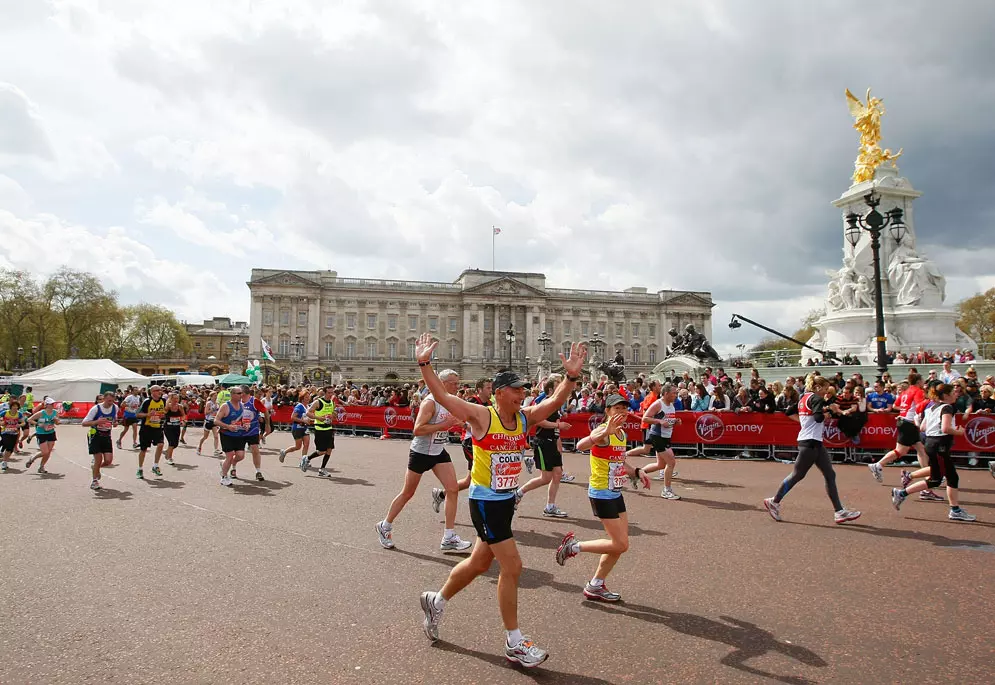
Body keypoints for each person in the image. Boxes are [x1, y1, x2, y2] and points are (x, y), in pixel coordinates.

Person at [415, 333, 586, 668]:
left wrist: (571, 377)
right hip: (484, 502)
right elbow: (439, 395)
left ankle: (436, 600)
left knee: (480, 563)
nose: (523, 394)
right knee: (513, 566)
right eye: (517, 389)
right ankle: (515, 642)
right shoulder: (481, 415)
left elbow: (553, 403)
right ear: (499, 393)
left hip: (506, 502)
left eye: (524, 389)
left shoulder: (523, 418)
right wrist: (424, 364)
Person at [554, 393, 650, 602]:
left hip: (615, 492)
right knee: (620, 544)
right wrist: (604, 431)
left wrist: (636, 472)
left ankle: (595, 585)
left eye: (624, 408)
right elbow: (580, 446)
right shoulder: (603, 431)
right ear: (607, 411)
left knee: (619, 544)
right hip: (601, 492)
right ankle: (574, 546)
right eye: (617, 409)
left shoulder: (622, 434)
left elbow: (619, 461)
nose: (622, 412)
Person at [376, 369, 472, 553]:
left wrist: (461, 424)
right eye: (454, 383)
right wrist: (444, 425)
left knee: (452, 489)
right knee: (408, 493)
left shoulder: (451, 402)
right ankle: (385, 525)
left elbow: (457, 420)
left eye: (458, 383)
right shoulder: (430, 402)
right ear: (442, 383)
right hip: (420, 452)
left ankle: (449, 536)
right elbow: (418, 429)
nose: (458, 386)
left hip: (438, 451)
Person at [763, 375, 861, 524]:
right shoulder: (816, 398)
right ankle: (774, 501)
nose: (826, 393)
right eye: (825, 389)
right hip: (809, 442)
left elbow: (789, 411)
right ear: (818, 387)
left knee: (830, 474)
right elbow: (818, 418)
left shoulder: (804, 398)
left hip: (814, 441)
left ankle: (839, 512)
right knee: (797, 475)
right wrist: (829, 410)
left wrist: (804, 422)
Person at [891, 383, 975, 522]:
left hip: (931, 443)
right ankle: (902, 493)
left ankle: (955, 509)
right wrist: (959, 432)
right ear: (946, 395)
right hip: (939, 445)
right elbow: (946, 428)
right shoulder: (947, 407)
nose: (956, 395)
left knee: (949, 477)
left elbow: (922, 427)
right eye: (953, 393)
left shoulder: (931, 407)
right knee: (938, 479)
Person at [867, 374, 940, 499]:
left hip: (905, 421)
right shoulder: (918, 391)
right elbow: (919, 406)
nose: (923, 382)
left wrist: (905, 411)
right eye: (922, 380)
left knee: (920, 449)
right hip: (909, 422)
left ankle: (928, 478)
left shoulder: (906, 391)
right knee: (903, 450)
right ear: (918, 381)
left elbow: (896, 405)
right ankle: (879, 464)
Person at [513, 375, 572, 518]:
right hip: (543, 441)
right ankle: (518, 494)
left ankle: (550, 506)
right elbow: (538, 421)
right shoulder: (545, 403)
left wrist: (558, 442)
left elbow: (556, 427)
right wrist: (558, 425)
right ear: (551, 388)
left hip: (552, 441)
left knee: (557, 474)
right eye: (559, 385)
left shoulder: (555, 404)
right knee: (546, 478)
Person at [431, 378, 491, 513]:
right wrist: (466, 426)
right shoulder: (472, 402)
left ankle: (441, 494)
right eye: (488, 388)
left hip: (483, 441)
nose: (490, 390)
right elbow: (461, 420)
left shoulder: (489, 403)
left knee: (469, 480)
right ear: (480, 390)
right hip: (471, 442)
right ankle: (482, 510)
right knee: (483, 476)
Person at [626, 383, 681, 499]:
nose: (676, 395)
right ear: (666, 394)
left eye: (676, 393)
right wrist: (659, 422)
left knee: (661, 465)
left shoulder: (671, 404)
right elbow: (645, 418)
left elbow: (666, 419)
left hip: (666, 436)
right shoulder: (658, 404)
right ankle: (666, 490)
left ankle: (635, 474)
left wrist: (674, 422)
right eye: (674, 393)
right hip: (658, 436)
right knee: (671, 463)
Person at [215, 386, 252, 486]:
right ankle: (224, 476)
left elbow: (245, 420)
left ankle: (224, 463)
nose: (241, 395)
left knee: (240, 456)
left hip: (239, 434)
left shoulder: (243, 406)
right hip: (226, 434)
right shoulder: (225, 406)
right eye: (239, 393)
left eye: (242, 393)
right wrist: (228, 426)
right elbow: (216, 421)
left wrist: (246, 425)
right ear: (232, 395)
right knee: (230, 455)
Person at [81, 391, 118, 491]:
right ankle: (94, 481)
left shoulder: (115, 407)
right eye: (109, 400)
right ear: (104, 398)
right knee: (98, 459)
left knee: (108, 461)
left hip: (106, 436)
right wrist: (97, 422)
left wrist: (114, 423)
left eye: (113, 401)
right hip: (95, 435)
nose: (111, 403)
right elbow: (84, 423)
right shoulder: (96, 408)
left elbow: (114, 419)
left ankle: (95, 468)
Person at [302, 386, 337, 476]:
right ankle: (307, 458)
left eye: (332, 392)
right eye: (329, 393)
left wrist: (334, 415)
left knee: (329, 449)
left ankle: (322, 469)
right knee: (322, 451)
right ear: (324, 393)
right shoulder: (318, 402)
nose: (331, 394)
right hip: (320, 428)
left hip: (329, 428)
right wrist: (319, 418)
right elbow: (308, 413)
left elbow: (333, 413)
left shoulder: (332, 403)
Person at [136, 385, 167, 480]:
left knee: (161, 444)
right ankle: (140, 469)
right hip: (146, 428)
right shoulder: (147, 402)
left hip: (157, 427)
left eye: (160, 390)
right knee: (143, 449)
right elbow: (138, 414)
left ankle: (155, 466)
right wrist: (148, 414)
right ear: (152, 392)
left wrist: (162, 415)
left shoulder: (163, 401)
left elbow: (164, 413)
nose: (159, 392)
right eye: (157, 390)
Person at [25, 397, 60, 474]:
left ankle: (42, 466)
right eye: (50, 404)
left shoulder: (55, 412)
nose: (52, 405)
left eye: (53, 404)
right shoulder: (41, 413)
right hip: (41, 433)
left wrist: (56, 420)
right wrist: (39, 424)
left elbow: (58, 423)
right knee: (45, 452)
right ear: (46, 405)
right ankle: (32, 458)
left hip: (51, 433)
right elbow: (29, 419)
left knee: (49, 451)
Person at [279, 390, 312, 465]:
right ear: (302, 398)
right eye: (306, 397)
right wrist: (303, 421)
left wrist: (310, 420)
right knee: (298, 446)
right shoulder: (299, 406)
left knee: (306, 445)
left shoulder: (308, 406)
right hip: (297, 428)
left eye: (308, 397)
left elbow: (308, 417)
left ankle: (304, 461)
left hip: (305, 428)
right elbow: (293, 417)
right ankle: (284, 452)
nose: (308, 399)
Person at [162, 392, 186, 467]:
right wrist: (168, 403)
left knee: (175, 444)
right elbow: (164, 411)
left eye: (177, 398)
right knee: (171, 442)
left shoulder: (180, 406)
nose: (176, 400)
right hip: (168, 427)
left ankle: (167, 452)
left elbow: (183, 415)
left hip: (176, 427)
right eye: (174, 398)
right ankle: (169, 458)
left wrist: (183, 421)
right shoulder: (168, 406)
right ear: (170, 399)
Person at [197, 390, 221, 456]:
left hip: (214, 421)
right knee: (205, 437)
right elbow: (206, 412)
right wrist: (213, 409)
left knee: (216, 436)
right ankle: (199, 447)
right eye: (214, 396)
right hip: (208, 421)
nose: (216, 397)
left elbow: (218, 412)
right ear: (211, 396)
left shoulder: (218, 403)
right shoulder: (209, 403)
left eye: (216, 395)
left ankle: (216, 450)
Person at [1, 398, 22, 472]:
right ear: (11, 406)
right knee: (7, 444)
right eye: (14, 406)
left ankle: (5, 462)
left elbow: (23, 422)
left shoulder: (19, 414)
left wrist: (19, 425)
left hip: (14, 432)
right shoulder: (5, 412)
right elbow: (0, 419)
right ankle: (3, 460)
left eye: (16, 406)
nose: (15, 407)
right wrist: (2, 422)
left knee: (10, 448)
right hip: (5, 432)